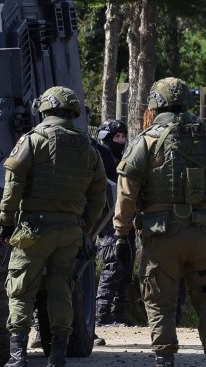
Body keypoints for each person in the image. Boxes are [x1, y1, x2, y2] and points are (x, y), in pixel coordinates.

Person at [114, 77, 206, 367]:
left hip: (161, 238)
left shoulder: (147, 140)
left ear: (155, 104)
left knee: (160, 303)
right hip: (205, 235)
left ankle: (165, 358)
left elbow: (126, 191)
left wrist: (121, 232)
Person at [0, 86, 107, 367]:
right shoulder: (88, 146)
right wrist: (85, 228)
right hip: (70, 231)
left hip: (34, 229)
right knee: (61, 290)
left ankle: (17, 356)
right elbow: (99, 197)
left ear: (44, 109)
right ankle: (58, 356)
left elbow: (13, 186)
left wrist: (5, 223)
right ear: (72, 112)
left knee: (21, 290)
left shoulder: (33, 140)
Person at [94, 119, 136, 328]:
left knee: (127, 265)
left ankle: (117, 313)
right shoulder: (101, 156)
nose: (120, 140)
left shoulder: (124, 158)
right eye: (116, 137)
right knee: (114, 264)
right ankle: (102, 314)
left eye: (122, 136)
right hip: (109, 219)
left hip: (127, 218)